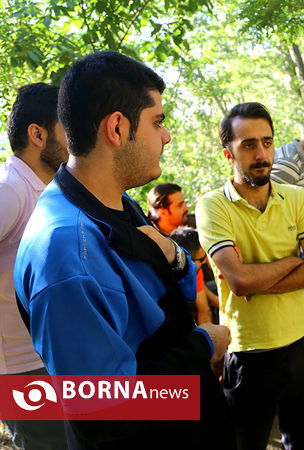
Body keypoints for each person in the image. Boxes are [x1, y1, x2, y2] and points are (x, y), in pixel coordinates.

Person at [13, 51, 233, 449]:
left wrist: (177, 259)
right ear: (117, 127)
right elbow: (103, 412)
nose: (166, 136)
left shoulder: (113, 203)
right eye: (158, 122)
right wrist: (203, 346)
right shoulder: (65, 252)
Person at [197, 102, 304, 450]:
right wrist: (292, 260)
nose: (262, 153)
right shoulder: (212, 205)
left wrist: (258, 277)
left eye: (267, 142)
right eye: (249, 144)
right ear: (229, 154)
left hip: (303, 345)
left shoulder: (297, 197)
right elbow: (240, 282)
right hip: (248, 353)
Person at [0, 83, 68, 449]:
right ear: (38, 134)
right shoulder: (9, 190)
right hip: (21, 372)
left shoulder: (46, 190)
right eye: (67, 127)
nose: (76, 137)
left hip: (50, 361)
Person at [170, 226, 216, 325]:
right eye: (202, 258)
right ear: (188, 261)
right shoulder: (161, 273)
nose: (205, 261)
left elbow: (204, 310)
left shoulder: (195, 271)